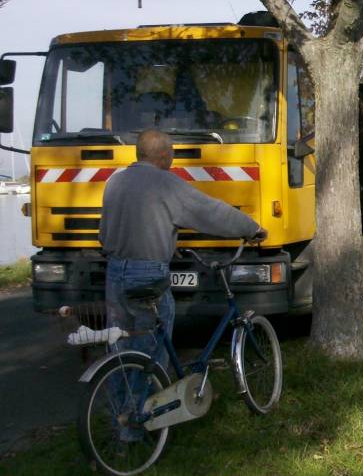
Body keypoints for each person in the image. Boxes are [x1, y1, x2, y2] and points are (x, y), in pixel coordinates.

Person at [99, 129, 266, 367]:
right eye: (172, 153)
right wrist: (252, 228)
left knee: (120, 344)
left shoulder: (115, 181)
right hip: (147, 274)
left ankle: (122, 402)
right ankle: (147, 401)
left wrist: (165, 241)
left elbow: (105, 235)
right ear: (164, 155)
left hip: (114, 272)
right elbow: (211, 212)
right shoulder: (166, 183)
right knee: (152, 345)